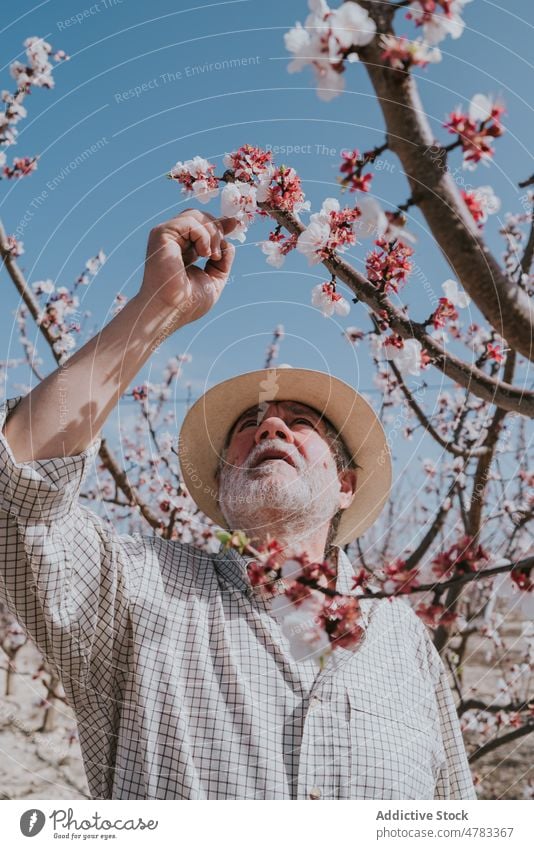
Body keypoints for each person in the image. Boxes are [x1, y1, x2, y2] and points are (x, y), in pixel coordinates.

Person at [0, 209, 476, 800]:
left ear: (346, 485)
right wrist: (159, 307)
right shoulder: (136, 592)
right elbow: (20, 489)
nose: (271, 425)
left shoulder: (404, 643)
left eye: (300, 424)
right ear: (222, 492)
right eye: (247, 430)